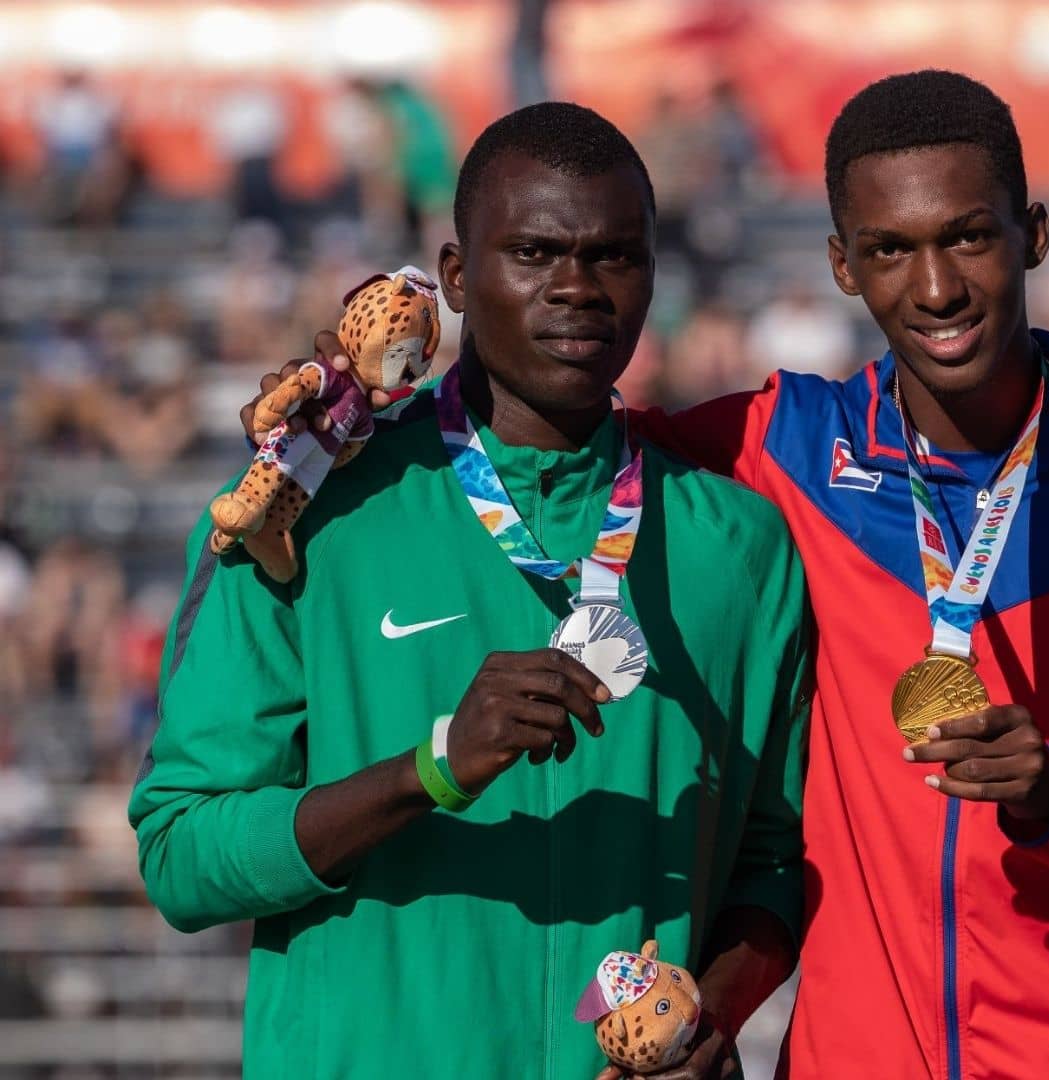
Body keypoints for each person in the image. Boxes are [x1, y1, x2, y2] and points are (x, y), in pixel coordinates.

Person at [253, 71, 1049, 1079]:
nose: (936, 288)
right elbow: (546, 440)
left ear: (1036, 233)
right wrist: (333, 428)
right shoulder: (786, 450)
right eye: (890, 249)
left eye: (969, 237)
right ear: (843, 265)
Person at [132, 103, 811, 1079]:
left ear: (654, 275)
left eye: (614, 256)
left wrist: (715, 1008)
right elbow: (183, 857)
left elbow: (773, 863)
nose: (576, 288)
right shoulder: (307, 510)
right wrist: (434, 766)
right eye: (534, 253)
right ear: (456, 277)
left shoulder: (738, 548)